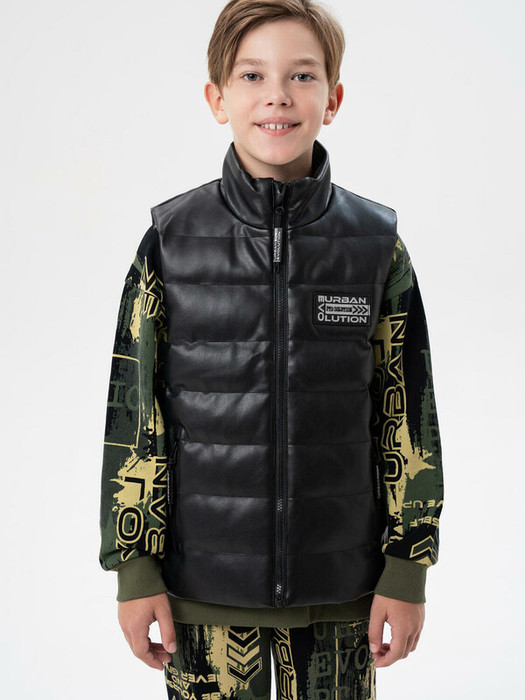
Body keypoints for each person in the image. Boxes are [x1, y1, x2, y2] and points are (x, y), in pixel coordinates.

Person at [98, 1, 444, 697]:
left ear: (333, 99)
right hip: (203, 610)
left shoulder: (375, 246)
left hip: (343, 606)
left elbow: (406, 416)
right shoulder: (171, 242)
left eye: (302, 75)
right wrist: (134, 570)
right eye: (252, 75)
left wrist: (407, 568)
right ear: (217, 99)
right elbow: (135, 417)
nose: (277, 95)